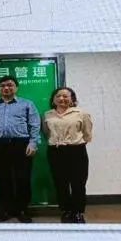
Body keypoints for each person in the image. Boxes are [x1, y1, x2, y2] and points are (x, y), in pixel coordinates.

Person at [0, 76, 41, 223]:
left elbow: (35, 124)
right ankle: (5, 209)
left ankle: (22, 209)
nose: (6, 88)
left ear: (16, 87)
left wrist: (33, 143)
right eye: (2, 85)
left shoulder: (27, 104)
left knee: (22, 178)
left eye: (10, 85)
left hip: (21, 144)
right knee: (3, 179)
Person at [43, 86, 94, 223]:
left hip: (76, 151)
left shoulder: (81, 113)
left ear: (72, 99)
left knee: (78, 183)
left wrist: (74, 143)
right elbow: (46, 133)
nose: (62, 98)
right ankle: (66, 211)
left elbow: (87, 134)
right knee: (61, 183)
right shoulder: (48, 114)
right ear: (53, 99)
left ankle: (78, 212)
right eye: (58, 96)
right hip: (55, 152)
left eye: (66, 96)